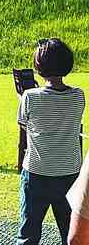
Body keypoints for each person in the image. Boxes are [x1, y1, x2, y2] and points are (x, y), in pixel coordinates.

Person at [17, 38, 85, 245]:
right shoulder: (78, 96)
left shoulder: (29, 96)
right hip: (70, 174)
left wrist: (23, 97)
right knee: (70, 233)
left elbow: (23, 124)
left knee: (28, 234)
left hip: (36, 174)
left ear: (39, 66)